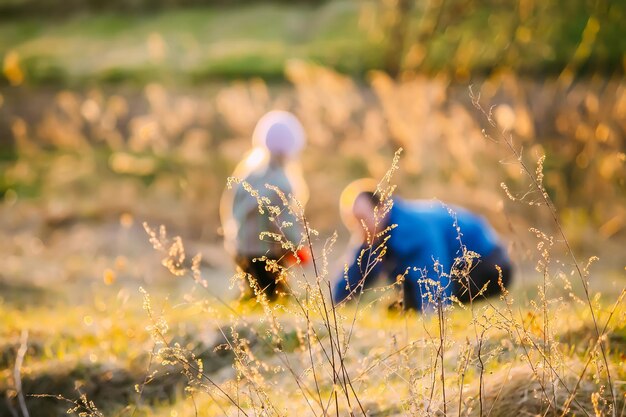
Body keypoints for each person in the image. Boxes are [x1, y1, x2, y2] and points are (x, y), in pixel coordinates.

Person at [333, 179, 513, 311]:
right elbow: (356, 274)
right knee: (400, 306)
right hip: (458, 262)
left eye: (362, 219)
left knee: (417, 299)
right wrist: (335, 306)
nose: (358, 228)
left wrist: (432, 316)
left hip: (490, 263)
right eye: (352, 221)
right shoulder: (373, 232)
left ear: (380, 210)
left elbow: (434, 269)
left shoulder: (411, 228)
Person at [220, 111, 309, 301]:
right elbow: (283, 222)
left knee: (257, 292)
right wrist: (296, 246)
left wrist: (234, 239)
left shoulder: (248, 172)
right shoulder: (282, 182)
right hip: (266, 254)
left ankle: (244, 306)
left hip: (241, 248)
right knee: (277, 298)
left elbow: (229, 207)